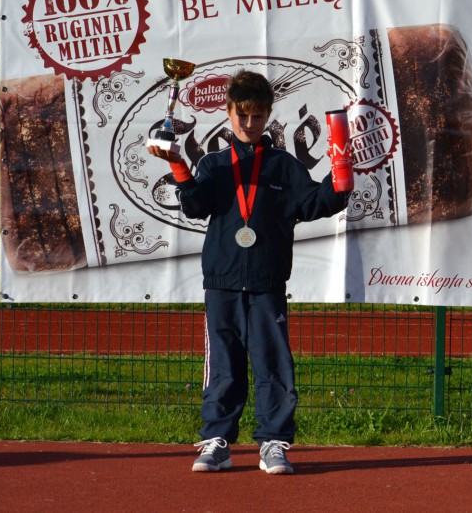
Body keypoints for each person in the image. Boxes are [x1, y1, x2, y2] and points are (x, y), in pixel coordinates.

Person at [147, 69, 349, 475]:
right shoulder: (214, 165)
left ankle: (273, 442)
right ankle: (218, 442)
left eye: (257, 116)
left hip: (267, 281)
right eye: (242, 115)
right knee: (223, 364)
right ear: (228, 112)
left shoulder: (284, 167)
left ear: (268, 115)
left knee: (273, 363)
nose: (249, 123)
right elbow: (195, 206)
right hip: (221, 281)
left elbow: (315, 204)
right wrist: (179, 166)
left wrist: (341, 176)